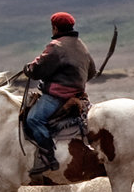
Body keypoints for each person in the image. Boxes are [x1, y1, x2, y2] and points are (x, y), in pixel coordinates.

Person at [23, 11, 96, 175]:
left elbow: (38, 69)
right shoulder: (81, 45)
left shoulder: (56, 46)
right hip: (78, 95)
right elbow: (91, 71)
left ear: (55, 28)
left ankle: (48, 156)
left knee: (33, 118)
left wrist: (28, 69)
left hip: (58, 96)